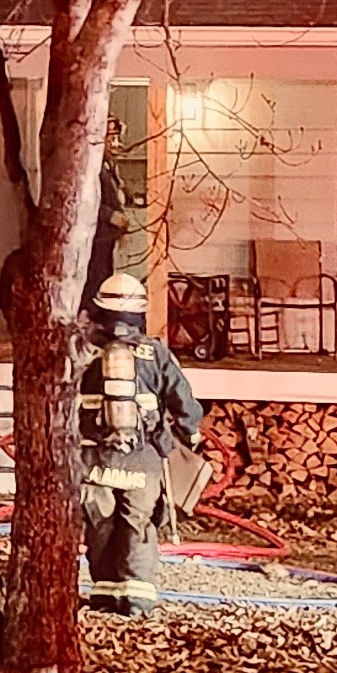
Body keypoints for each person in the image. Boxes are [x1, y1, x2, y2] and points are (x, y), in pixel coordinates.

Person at [76, 272, 204, 617]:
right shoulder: (156, 354)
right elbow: (185, 403)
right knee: (138, 524)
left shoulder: (84, 353)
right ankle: (136, 599)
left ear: (100, 311)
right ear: (139, 314)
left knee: (100, 524)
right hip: (144, 460)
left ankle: (104, 595)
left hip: (95, 459)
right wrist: (191, 434)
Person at [83, 119, 132, 310]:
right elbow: (86, 202)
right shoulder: (91, 170)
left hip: (107, 238)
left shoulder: (109, 168)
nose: (115, 144)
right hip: (95, 239)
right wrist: (109, 215)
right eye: (110, 139)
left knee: (104, 276)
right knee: (94, 280)